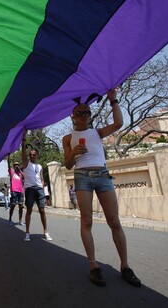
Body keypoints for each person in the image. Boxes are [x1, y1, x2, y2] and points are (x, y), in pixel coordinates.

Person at [62, 89, 141, 287]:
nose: (85, 115)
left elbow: (118, 123)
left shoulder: (97, 133)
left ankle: (125, 266)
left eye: (88, 112)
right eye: (80, 113)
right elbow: (68, 165)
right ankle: (93, 266)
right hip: (82, 176)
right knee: (86, 221)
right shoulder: (67, 138)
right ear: (73, 116)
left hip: (102, 175)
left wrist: (113, 99)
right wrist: (73, 153)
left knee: (114, 221)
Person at [22, 129, 52, 242]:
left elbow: (42, 178)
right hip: (30, 189)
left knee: (42, 210)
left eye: (34, 154)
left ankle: (46, 232)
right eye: (31, 154)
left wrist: (42, 187)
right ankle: (27, 233)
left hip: (39, 189)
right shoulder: (26, 163)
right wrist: (24, 137)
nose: (32, 155)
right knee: (29, 210)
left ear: (37, 155)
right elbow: (23, 150)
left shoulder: (39, 166)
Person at [7, 159, 25, 226]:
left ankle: (20, 221)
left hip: (20, 192)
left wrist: (20, 170)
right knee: (13, 205)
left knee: (21, 206)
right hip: (14, 191)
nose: (16, 166)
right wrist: (8, 158)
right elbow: (8, 166)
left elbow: (25, 177)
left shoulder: (20, 173)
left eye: (17, 165)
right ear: (13, 166)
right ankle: (10, 220)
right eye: (15, 165)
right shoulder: (12, 172)